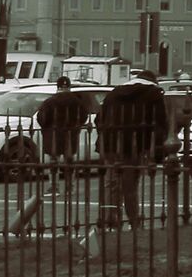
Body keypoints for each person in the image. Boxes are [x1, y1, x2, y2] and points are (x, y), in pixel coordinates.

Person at [95, 71, 169, 229]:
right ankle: (134, 220)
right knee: (130, 184)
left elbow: (99, 119)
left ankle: (110, 218)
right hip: (136, 145)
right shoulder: (154, 94)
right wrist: (156, 151)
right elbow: (160, 123)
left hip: (111, 143)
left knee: (111, 182)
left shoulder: (114, 93)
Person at [34, 76, 90, 163]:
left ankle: (54, 176)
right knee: (69, 159)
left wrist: (46, 128)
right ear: (69, 87)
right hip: (71, 133)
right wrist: (77, 126)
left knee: (53, 161)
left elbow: (42, 118)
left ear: (58, 87)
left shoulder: (49, 101)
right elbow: (84, 116)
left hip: (53, 134)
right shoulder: (77, 101)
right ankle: (70, 175)